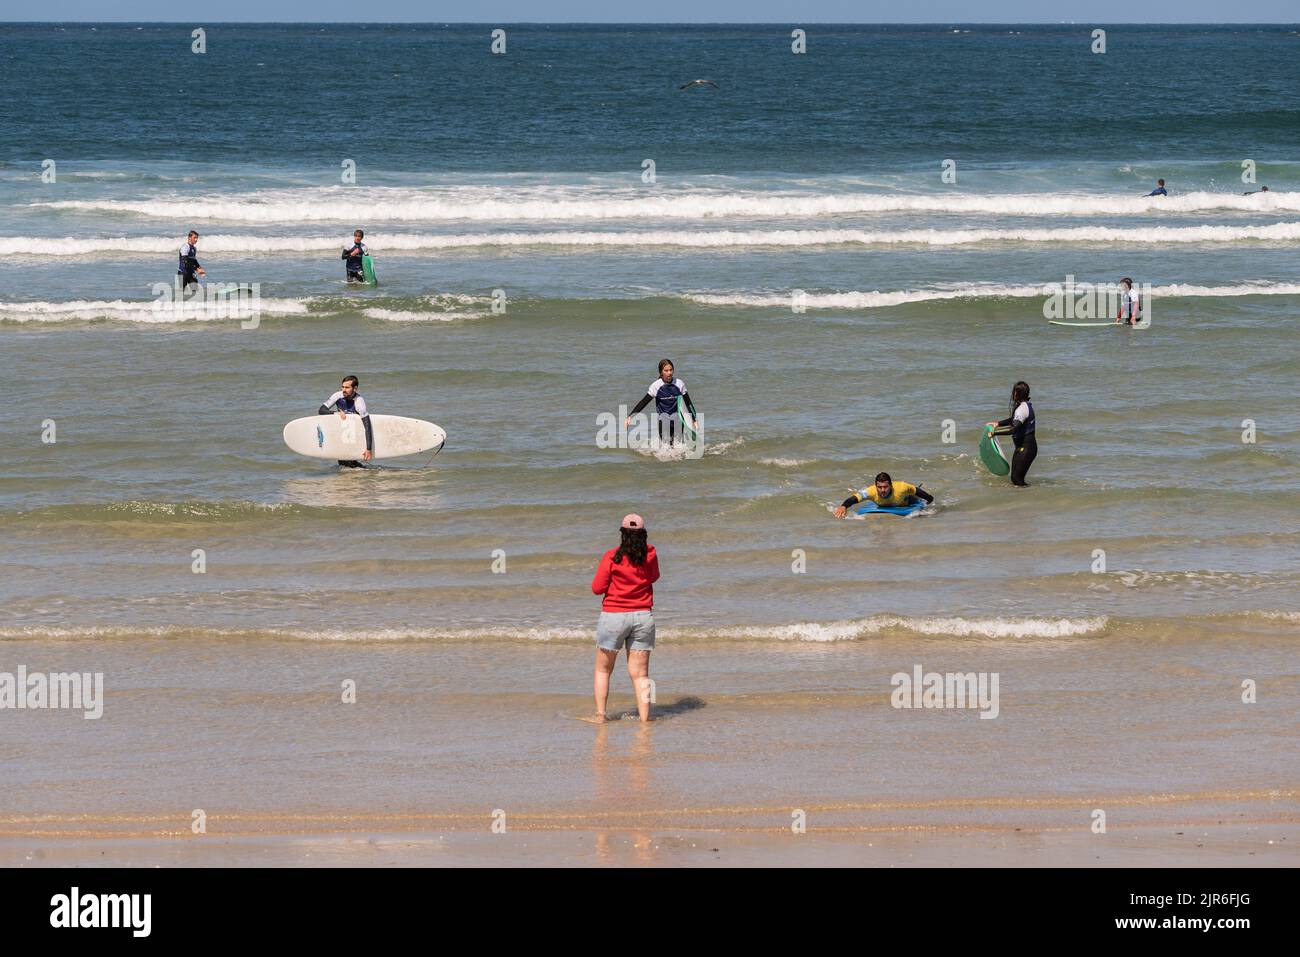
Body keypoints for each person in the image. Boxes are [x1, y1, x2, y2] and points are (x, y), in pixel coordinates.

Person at [590, 514, 660, 723]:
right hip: (642, 617)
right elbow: (654, 576)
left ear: (622, 534)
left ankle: (601, 716)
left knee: (603, 670)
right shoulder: (650, 555)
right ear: (643, 534)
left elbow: (597, 588)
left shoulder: (612, 556)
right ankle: (645, 718)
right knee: (641, 675)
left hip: (614, 617)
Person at [625, 359, 698, 447]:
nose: (669, 373)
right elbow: (643, 402)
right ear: (661, 372)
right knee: (665, 449)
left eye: (671, 370)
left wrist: (694, 419)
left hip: (678, 421)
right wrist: (631, 416)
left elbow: (688, 402)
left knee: (678, 448)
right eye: (666, 370)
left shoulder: (679, 384)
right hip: (663, 421)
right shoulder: (656, 386)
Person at [986, 381, 1036, 487]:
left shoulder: (1022, 409)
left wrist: (994, 433)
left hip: (1027, 448)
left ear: (1017, 394)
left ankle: (1031, 498)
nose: (1012, 394)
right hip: (1023, 447)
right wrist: (998, 423)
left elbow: (1012, 429)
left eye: (1014, 392)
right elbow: (1013, 420)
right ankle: (1027, 498)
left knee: (1017, 480)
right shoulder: (1023, 406)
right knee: (1015, 479)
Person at [318, 374, 373, 467]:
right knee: (342, 463)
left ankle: (362, 473)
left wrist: (368, 449)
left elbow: (367, 427)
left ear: (355, 388)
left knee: (348, 463)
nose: (344, 389)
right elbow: (321, 410)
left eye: (347, 387)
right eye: (342, 387)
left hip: (353, 435)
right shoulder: (337, 396)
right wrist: (336, 413)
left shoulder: (359, 402)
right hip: (341, 433)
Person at [833, 472, 934, 517]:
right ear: (876, 486)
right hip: (889, 504)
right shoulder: (870, 491)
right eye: (879, 487)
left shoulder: (901, 487)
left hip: (907, 501)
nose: (882, 490)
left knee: (915, 497)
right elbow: (854, 498)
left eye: (885, 487)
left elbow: (917, 491)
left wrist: (929, 500)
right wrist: (843, 506)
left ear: (890, 485)